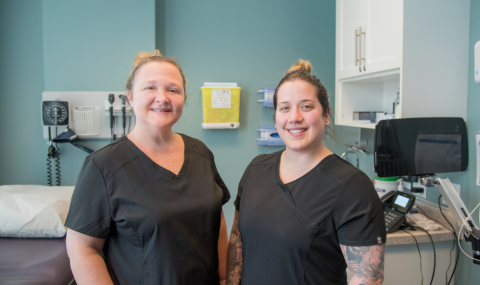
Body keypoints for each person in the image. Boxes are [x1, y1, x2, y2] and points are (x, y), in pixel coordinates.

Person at [65, 50, 230, 285]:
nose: (162, 98)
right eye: (150, 88)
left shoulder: (200, 153)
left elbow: (218, 223)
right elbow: (83, 248)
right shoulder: (103, 166)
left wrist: (224, 279)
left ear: (184, 98)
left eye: (173, 90)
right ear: (130, 97)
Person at [227, 60, 386, 285]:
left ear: (326, 115)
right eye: (285, 108)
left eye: (307, 106)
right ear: (276, 118)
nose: (294, 117)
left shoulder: (352, 187)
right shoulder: (256, 169)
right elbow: (237, 243)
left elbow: (368, 277)